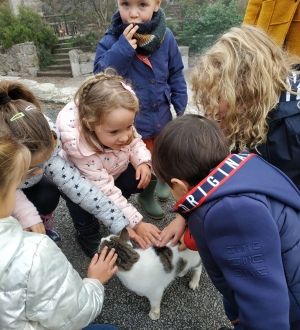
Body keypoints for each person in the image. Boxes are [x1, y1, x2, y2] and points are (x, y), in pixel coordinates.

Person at [152, 114, 300, 330]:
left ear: (179, 186)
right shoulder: (243, 164)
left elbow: (264, 303)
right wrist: (185, 217)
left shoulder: (230, 214)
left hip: (289, 309)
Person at [0, 80, 148, 258]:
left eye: (44, 164)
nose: (40, 172)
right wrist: (28, 217)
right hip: (7, 188)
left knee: (53, 192)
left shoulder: (46, 147)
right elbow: (9, 191)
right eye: (31, 168)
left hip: (12, 185)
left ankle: (38, 226)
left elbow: (81, 188)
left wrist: (120, 222)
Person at [0, 130, 119, 330]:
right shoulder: (35, 253)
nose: (38, 172)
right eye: (16, 188)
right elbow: (75, 315)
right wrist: (94, 282)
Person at [93, 0, 188, 216]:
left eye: (142, 5)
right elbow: (100, 78)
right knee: (143, 159)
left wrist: (180, 105)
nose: (133, 13)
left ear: (156, 5)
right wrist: (122, 50)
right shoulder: (111, 41)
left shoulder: (165, 37)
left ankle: (163, 180)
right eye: (126, 4)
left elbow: (175, 73)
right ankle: (146, 194)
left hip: (162, 116)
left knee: (164, 155)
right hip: (135, 124)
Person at [56, 71, 162, 249]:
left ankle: (116, 212)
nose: (124, 137)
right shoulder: (81, 150)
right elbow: (105, 190)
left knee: (132, 179)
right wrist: (136, 223)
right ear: (90, 125)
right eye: (114, 132)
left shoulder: (116, 123)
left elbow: (135, 141)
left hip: (110, 171)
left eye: (129, 126)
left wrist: (142, 162)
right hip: (81, 186)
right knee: (83, 207)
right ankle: (86, 232)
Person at [191, 24, 300, 190]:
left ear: (246, 90)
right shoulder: (250, 109)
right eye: (206, 101)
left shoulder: (293, 125)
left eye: (215, 99)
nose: (208, 113)